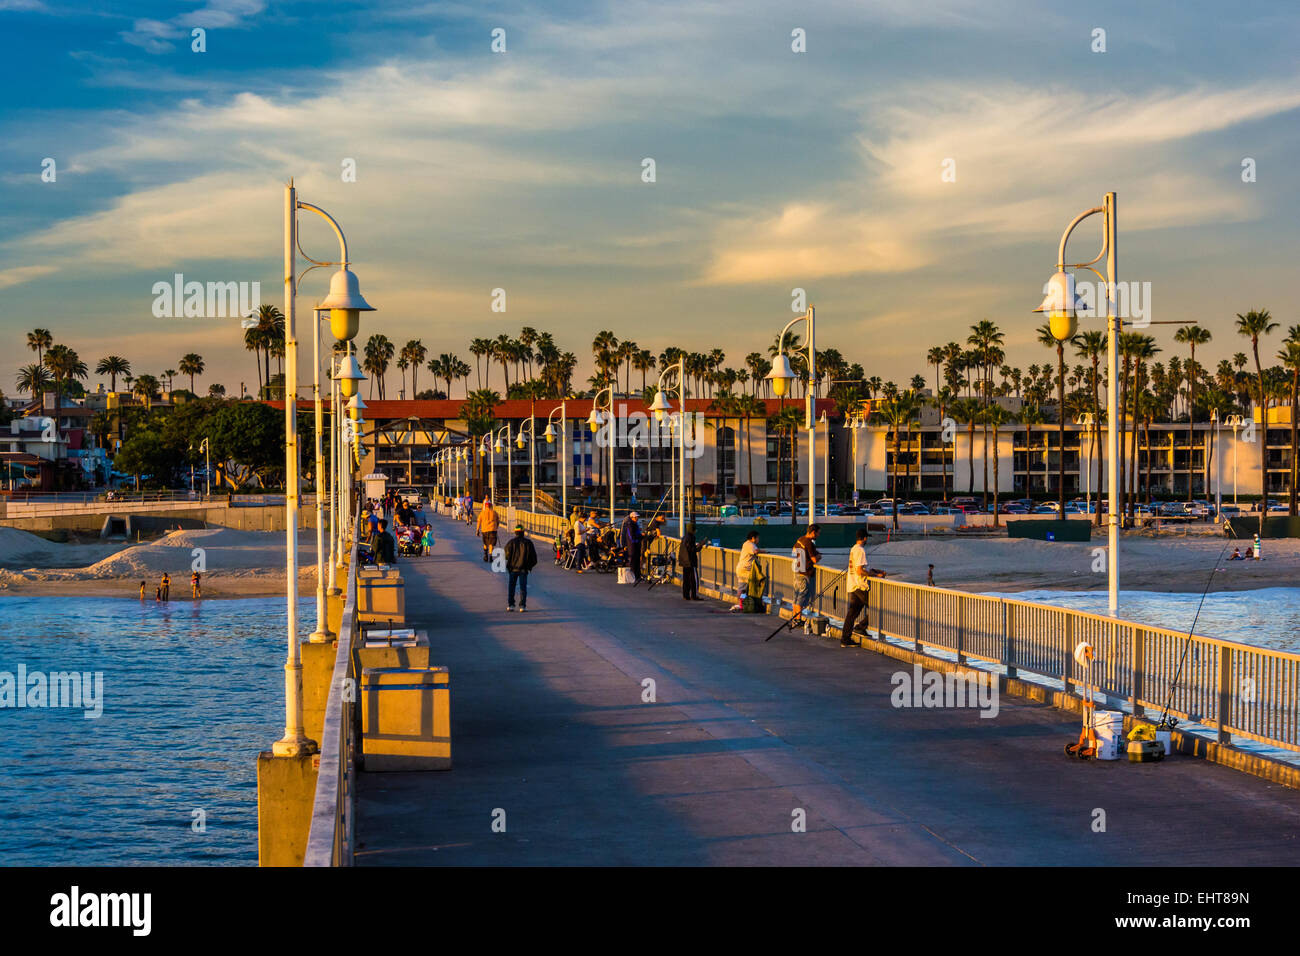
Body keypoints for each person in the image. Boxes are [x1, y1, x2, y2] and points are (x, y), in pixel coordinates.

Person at [840, 528, 882, 647]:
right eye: (866, 537)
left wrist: (875, 570)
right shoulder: (861, 550)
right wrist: (876, 575)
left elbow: (860, 568)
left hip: (852, 584)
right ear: (864, 538)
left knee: (852, 613)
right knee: (876, 609)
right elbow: (860, 571)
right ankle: (860, 627)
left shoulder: (853, 549)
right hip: (860, 586)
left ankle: (846, 638)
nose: (867, 539)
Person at [789, 524, 822, 628]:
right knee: (802, 597)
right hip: (805, 573)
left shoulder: (800, 540)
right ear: (813, 532)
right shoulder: (808, 543)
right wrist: (819, 556)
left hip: (797, 571)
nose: (818, 535)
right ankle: (798, 620)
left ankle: (795, 618)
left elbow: (794, 553)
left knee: (796, 595)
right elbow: (814, 560)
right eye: (818, 533)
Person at [504, 523, 538, 612]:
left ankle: (511, 605)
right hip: (523, 569)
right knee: (523, 587)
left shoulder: (511, 542)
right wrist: (529, 567)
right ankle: (522, 606)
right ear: (523, 532)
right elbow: (534, 558)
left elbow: (506, 555)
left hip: (513, 568)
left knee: (511, 586)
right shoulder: (528, 543)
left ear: (515, 532)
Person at [678, 524, 704, 600]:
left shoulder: (684, 537)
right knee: (693, 579)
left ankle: (686, 595)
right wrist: (700, 546)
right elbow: (692, 550)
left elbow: (688, 548)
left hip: (684, 561)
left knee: (686, 579)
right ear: (692, 530)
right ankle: (694, 595)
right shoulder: (691, 537)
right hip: (691, 562)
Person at [621, 511, 644, 581]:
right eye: (636, 517)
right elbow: (631, 537)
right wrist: (640, 536)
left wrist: (641, 536)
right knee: (633, 561)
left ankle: (638, 576)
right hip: (632, 546)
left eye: (637, 517)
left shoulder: (635, 524)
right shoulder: (630, 525)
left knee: (637, 561)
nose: (637, 518)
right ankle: (633, 576)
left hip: (636, 545)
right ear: (632, 517)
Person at [476, 498, 500, 562]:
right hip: (493, 530)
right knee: (491, 544)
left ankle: (485, 555)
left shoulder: (482, 513)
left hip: (484, 530)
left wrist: (477, 530)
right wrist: (496, 527)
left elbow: (479, 521)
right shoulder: (494, 513)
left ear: (485, 506)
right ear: (491, 506)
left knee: (485, 543)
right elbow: (498, 521)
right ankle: (491, 556)